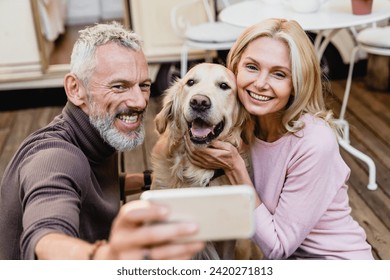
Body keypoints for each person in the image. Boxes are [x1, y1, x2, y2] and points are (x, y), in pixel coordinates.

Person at [0, 22, 204, 260]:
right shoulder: (56, 157)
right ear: (75, 89)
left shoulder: (99, 130)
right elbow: (45, 237)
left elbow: (90, 185)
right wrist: (107, 258)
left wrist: (152, 180)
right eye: (119, 86)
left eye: (144, 86)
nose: (139, 101)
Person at [185, 18, 374, 260]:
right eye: (252, 67)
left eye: (279, 74)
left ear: (296, 84)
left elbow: (277, 247)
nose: (261, 84)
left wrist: (234, 167)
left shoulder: (314, 141)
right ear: (235, 68)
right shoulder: (240, 126)